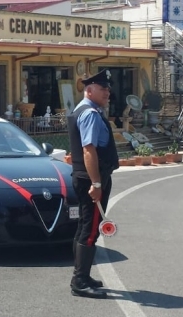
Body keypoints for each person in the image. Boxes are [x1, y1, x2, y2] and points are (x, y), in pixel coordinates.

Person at [66, 69, 119, 299]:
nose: (107, 92)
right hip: (91, 181)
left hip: (85, 177)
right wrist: (96, 183)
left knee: (84, 228)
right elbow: (89, 150)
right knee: (89, 230)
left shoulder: (83, 110)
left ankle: (83, 275)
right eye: (102, 88)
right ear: (89, 90)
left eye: (108, 88)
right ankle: (79, 281)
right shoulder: (89, 114)